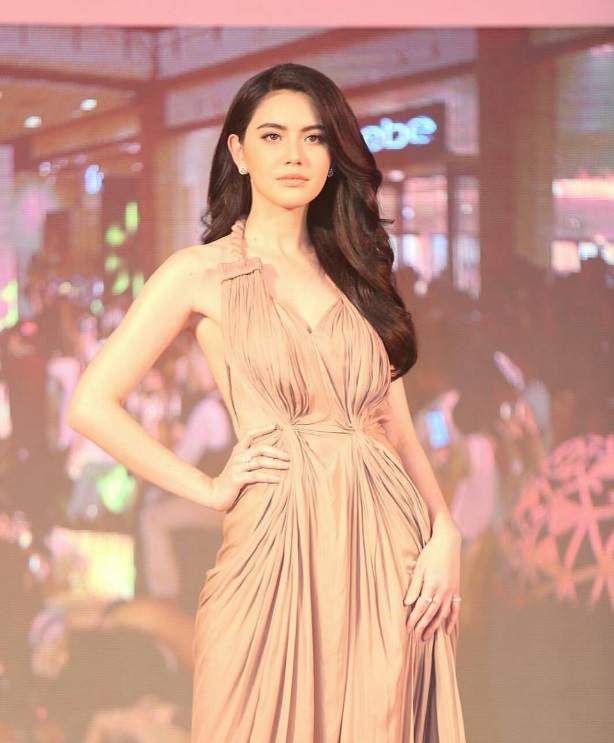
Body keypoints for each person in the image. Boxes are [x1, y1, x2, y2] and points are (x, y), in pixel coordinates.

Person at [67, 62, 465, 743]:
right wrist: (208, 488)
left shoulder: (360, 274)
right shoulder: (199, 272)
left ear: (332, 155)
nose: (295, 155)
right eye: (273, 136)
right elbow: (91, 403)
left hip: (386, 549)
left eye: (314, 138)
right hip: (272, 544)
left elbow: (394, 430)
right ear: (239, 152)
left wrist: (446, 532)